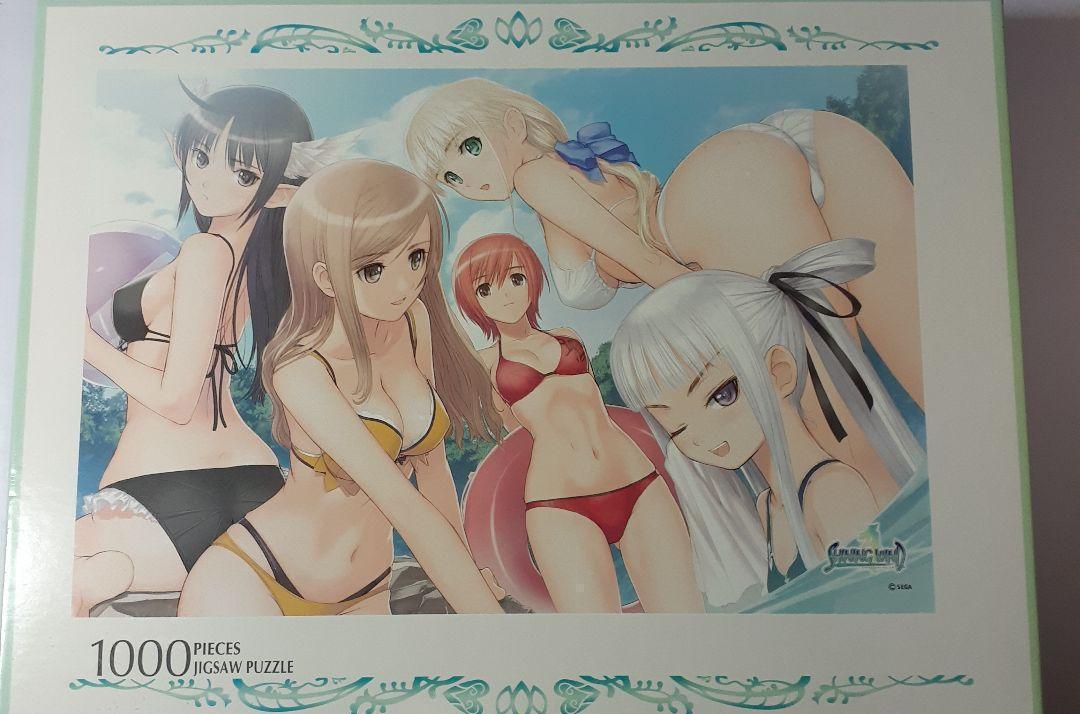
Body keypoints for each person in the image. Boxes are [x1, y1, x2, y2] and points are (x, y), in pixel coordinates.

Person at [406, 78, 921, 505]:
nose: (467, 177)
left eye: (469, 148)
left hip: (716, 203)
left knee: (827, 424)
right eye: (451, 175)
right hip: (788, 146)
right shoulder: (569, 168)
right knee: (917, 355)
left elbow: (646, 259)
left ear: (512, 125)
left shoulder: (536, 178)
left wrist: (721, 325)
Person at [178, 159, 515, 616]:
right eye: (373, 269)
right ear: (323, 277)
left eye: (415, 257)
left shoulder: (412, 321)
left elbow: (432, 468)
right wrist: (486, 618)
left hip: (368, 589)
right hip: (257, 579)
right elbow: (401, 503)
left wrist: (467, 572)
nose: (403, 284)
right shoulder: (300, 369)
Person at [75, 83, 325, 616]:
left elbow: (175, 399)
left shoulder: (204, 250)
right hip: (258, 484)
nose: (208, 180)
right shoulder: (258, 263)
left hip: (162, 486)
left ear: (275, 187)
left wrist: (85, 342)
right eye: (202, 156)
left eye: (244, 173)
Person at [609, 239, 924, 608]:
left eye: (722, 394)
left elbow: (875, 601)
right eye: (675, 427)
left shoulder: (832, 492)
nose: (700, 436)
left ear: (779, 373)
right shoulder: (768, 506)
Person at [452, 233, 701, 613]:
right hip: (559, 503)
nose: (506, 296)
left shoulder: (568, 337)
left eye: (516, 279)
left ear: (533, 280)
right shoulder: (486, 363)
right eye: (485, 288)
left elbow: (592, 405)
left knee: (686, 618)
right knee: (593, 639)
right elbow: (509, 428)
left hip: (637, 482)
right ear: (473, 303)